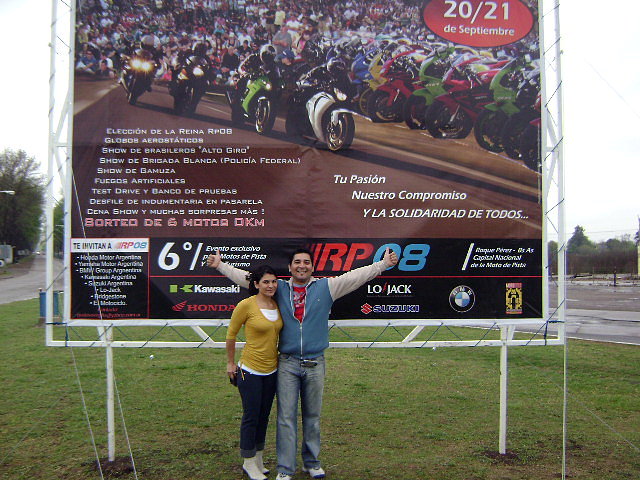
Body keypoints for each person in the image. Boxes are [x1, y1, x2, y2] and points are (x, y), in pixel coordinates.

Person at [208, 247, 398, 480]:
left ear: (312, 267)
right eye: (297, 262)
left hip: (315, 362)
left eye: (306, 262)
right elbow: (248, 278)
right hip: (287, 363)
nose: (302, 266)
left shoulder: (327, 287)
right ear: (290, 268)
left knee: (312, 417)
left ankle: (312, 463)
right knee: (285, 417)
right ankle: (286, 469)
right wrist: (220, 265)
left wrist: (382, 264)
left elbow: (356, 276)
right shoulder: (279, 288)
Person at [226, 265, 283, 480]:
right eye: (266, 282)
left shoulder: (276, 304)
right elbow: (231, 335)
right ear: (256, 284)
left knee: (264, 415)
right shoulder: (246, 305)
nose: (270, 286)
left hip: (272, 370)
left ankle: (258, 459)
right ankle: (248, 462)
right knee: (251, 416)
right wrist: (230, 364)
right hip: (249, 371)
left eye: (274, 282)